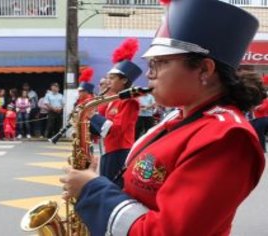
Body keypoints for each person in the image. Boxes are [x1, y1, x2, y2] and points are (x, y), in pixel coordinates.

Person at [59, 0, 266, 235]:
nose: (149, 73)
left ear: (204, 70)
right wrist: (95, 180)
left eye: (160, 63)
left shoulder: (227, 138)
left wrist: (92, 190)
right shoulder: (180, 116)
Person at [89, 38, 142, 186]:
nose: (108, 81)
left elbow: (116, 129)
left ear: (124, 80)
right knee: (106, 185)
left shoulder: (130, 101)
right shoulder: (114, 98)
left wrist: (93, 116)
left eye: (112, 78)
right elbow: (99, 125)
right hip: (108, 149)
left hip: (119, 151)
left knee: (113, 187)